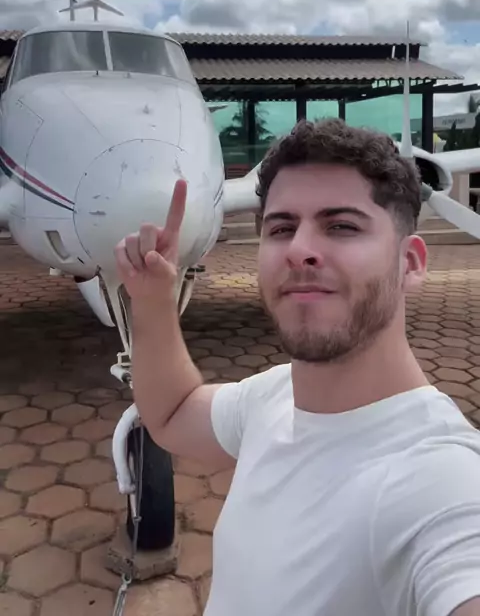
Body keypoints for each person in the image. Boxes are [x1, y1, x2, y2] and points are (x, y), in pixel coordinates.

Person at [114, 118, 480, 616]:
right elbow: (172, 413)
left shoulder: (442, 482)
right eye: (282, 228)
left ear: (410, 263)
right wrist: (153, 300)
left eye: (342, 226)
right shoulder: (272, 395)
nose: (299, 250)